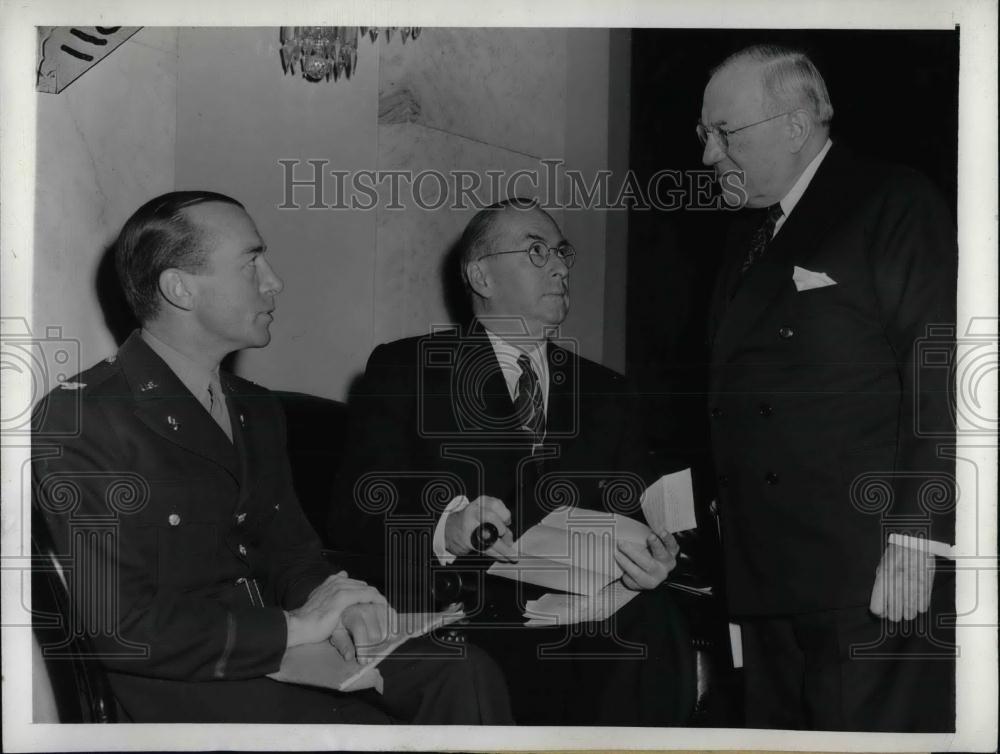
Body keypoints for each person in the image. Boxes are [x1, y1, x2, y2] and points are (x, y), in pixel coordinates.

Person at [31, 191, 512, 724]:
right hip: (180, 681)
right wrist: (294, 627)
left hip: (283, 648)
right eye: (251, 262)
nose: (274, 281)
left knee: (464, 671)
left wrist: (342, 602)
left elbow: (292, 554)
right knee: (364, 728)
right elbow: (120, 627)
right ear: (180, 288)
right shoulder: (87, 417)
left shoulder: (255, 408)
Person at [330, 198, 694, 725]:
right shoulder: (409, 368)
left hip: (589, 609)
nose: (560, 267)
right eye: (537, 251)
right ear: (481, 275)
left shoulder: (607, 392)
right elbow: (354, 513)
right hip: (471, 606)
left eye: (562, 252)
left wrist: (655, 558)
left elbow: (640, 512)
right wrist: (447, 528)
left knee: (654, 618)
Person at [698, 45, 956, 731]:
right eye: (704, 134)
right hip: (765, 580)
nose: (708, 155)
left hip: (866, 576)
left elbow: (941, 375)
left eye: (724, 133)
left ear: (794, 124)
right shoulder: (746, 237)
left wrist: (917, 538)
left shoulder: (891, 201)